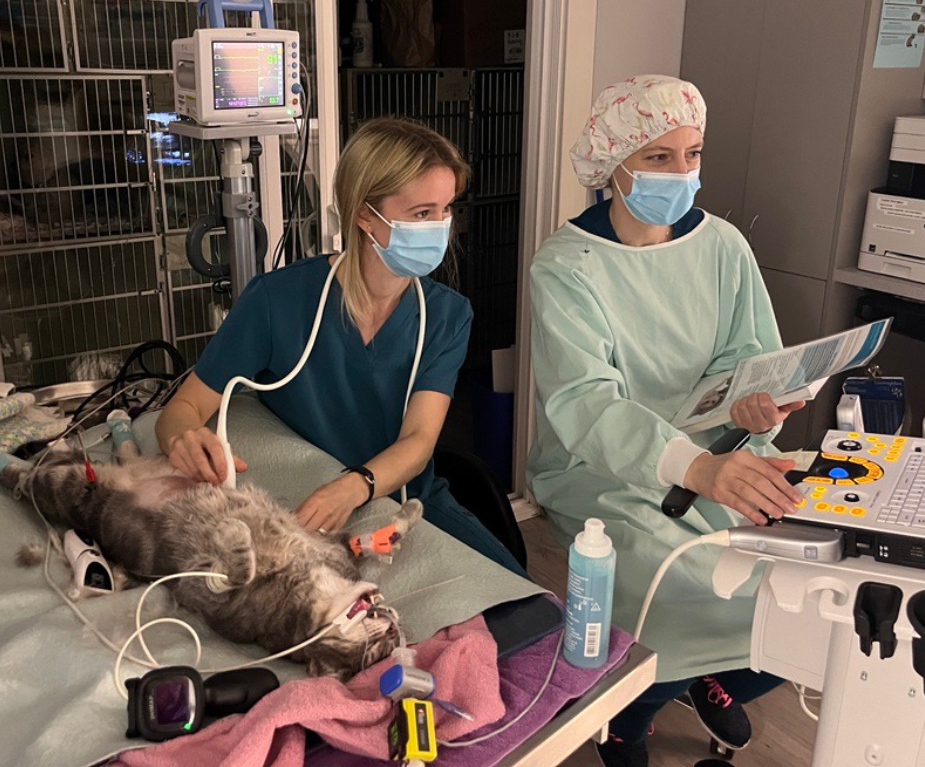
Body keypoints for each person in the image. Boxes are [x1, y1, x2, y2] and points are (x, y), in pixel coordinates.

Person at [527, 76, 805, 767]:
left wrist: (754, 411)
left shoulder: (723, 246)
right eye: (657, 157)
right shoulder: (567, 266)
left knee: (799, 583)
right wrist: (695, 468)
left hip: (718, 451)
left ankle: (701, 678)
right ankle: (631, 715)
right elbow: (585, 404)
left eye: (692, 154)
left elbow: (748, 355)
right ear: (612, 162)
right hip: (599, 466)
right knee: (674, 580)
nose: (681, 173)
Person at [156, 117, 525, 576]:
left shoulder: (446, 316)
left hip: (405, 501)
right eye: (422, 213)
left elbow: (419, 441)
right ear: (365, 215)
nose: (441, 227)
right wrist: (183, 439)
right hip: (298, 499)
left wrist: (354, 487)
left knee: (517, 594)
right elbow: (184, 408)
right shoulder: (278, 301)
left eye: (447, 209)